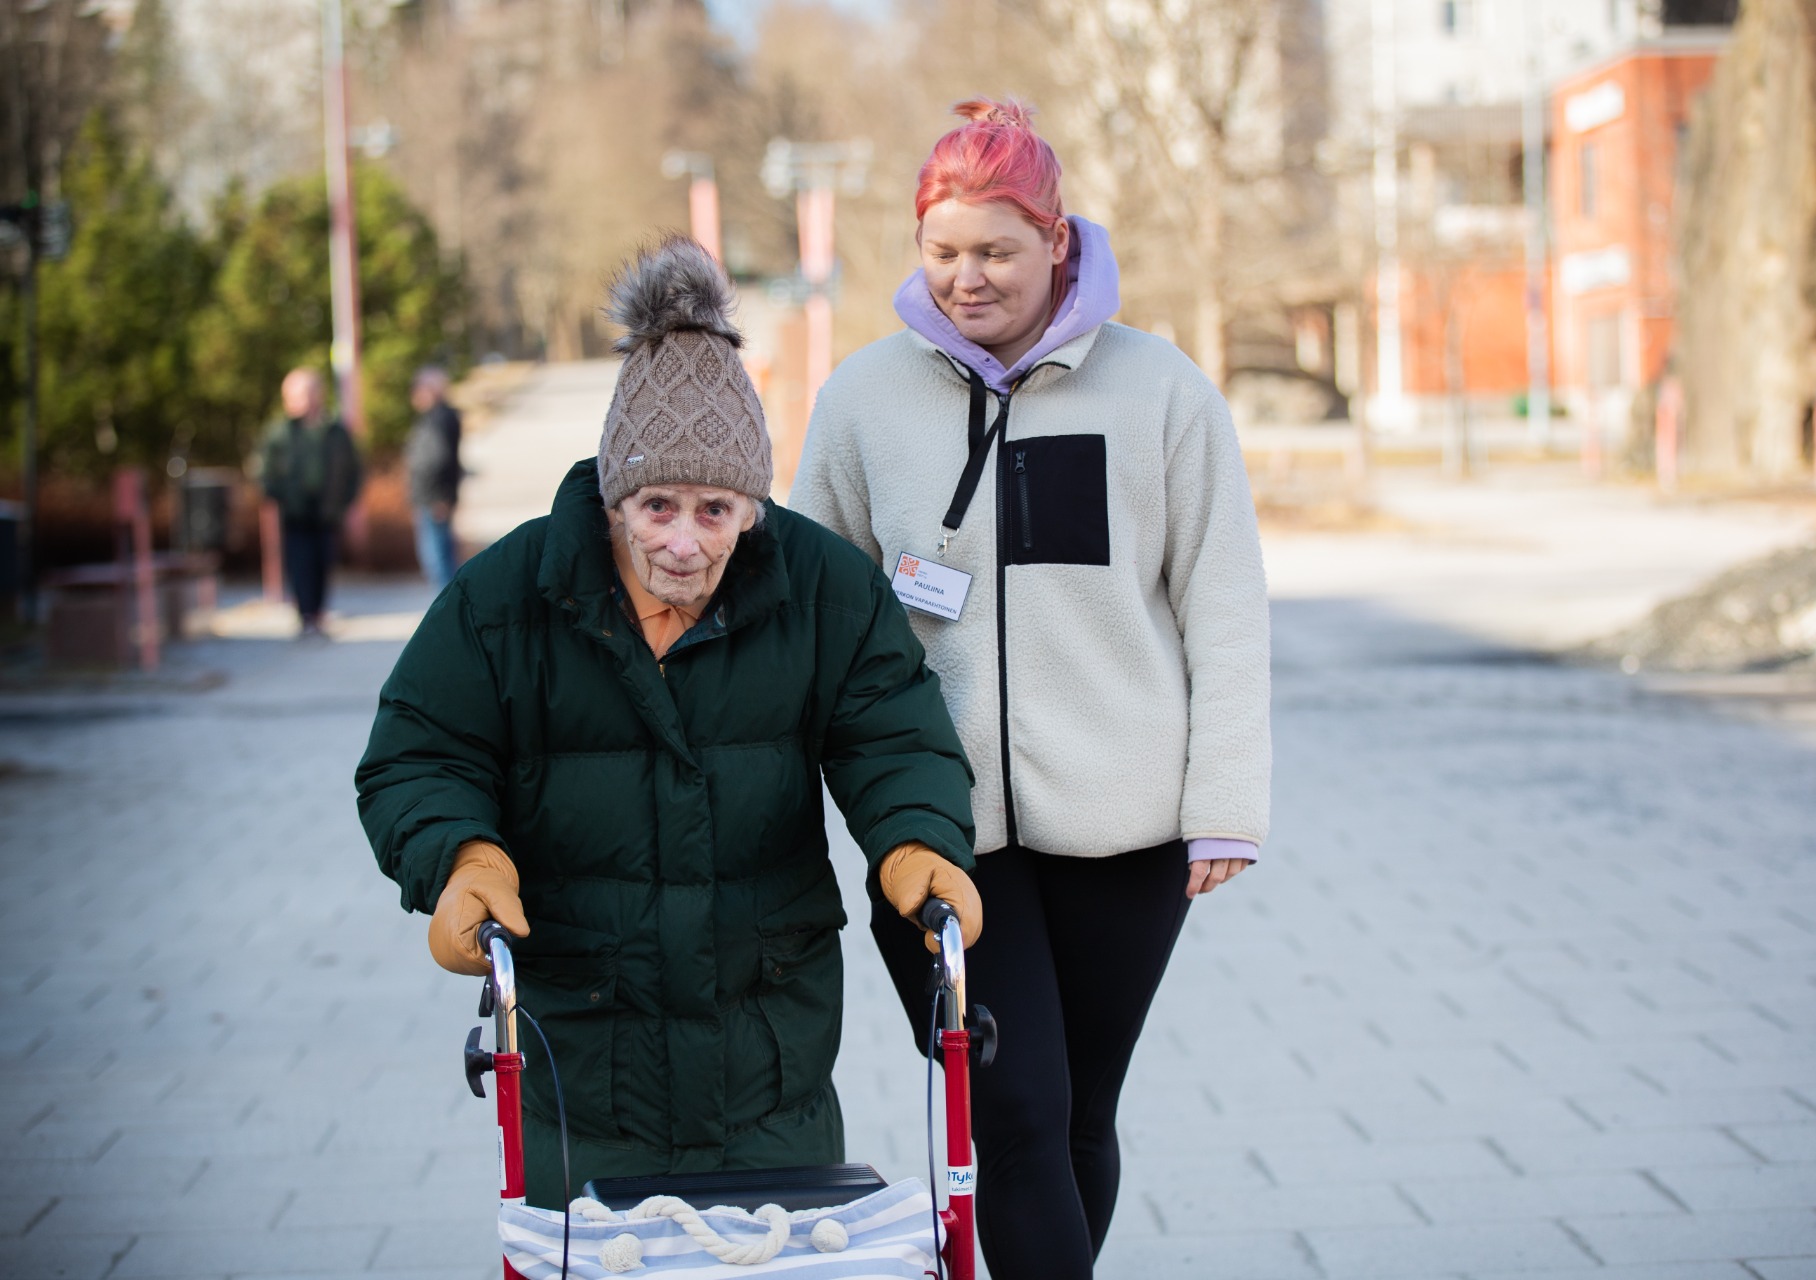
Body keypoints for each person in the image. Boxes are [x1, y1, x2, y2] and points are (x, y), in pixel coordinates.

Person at [357, 238, 982, 1209]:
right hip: (582, 1055)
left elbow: (892, 733)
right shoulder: (505, 598)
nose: (684, 541)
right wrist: (462, 859)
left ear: (753, 507)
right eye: (656, 505)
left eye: (715, 509)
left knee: (775, 1261)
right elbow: (419, 753)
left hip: (767, 1053)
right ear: (614, 495)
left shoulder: (825, 591)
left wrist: (917, 841)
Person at [791, 99, 1271, 1280]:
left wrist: (1226, 800)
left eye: (995, 251)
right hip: (938, 830)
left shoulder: (1161, 392)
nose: (967, 278)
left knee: (1077, 1116)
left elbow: (1224, 600)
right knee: (1012, 1113)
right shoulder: (861, 400)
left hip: (1125, 825)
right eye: (942, 250)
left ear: (1057, 241)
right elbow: (813, 609)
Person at [256, 367, 362, 636]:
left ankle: (317, 613)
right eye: (293, 395)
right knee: (299, 564)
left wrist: (346, 501)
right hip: (295, 512)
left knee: (323, 563)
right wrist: (280, 495)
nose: (300, 400)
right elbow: (265, 472)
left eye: (306, 393)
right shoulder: (280, 432)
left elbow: (354, 470)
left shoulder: (336, 431)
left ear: (318, 395)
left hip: (327, 511)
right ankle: (305, 615)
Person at [405, 365, 463, 590]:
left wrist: (441, 496)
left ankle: (447, 605)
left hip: (435, 498)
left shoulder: (441, 419)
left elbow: (440, 460)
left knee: (438, 560)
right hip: (431, 496)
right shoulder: (436, 418)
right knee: (437, 557)